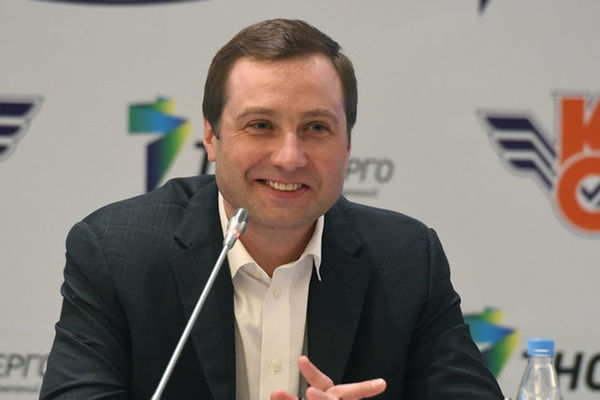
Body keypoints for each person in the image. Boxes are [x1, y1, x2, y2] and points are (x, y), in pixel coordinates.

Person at [40, 19, 505, 400]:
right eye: (260, 125)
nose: (289, 157)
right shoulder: (116, 252)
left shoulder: (408, 260)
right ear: (211, 137)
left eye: (316, 128)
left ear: (347, 145)